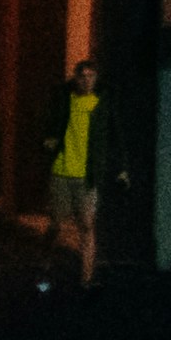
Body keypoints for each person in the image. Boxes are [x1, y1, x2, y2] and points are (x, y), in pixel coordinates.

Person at [46, 60, 106, 294]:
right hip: (61, 172)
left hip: (86, 176)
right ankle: (46, 261)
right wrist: (48, 141)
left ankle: (86, 278)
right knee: (56, 225)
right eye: (83, 76)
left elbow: (108, 133)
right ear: (76, 78)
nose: (87, 80)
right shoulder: (66, 100)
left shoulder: (99, 104)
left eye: (92, 76)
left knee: (87, 226)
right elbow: (51, 122)